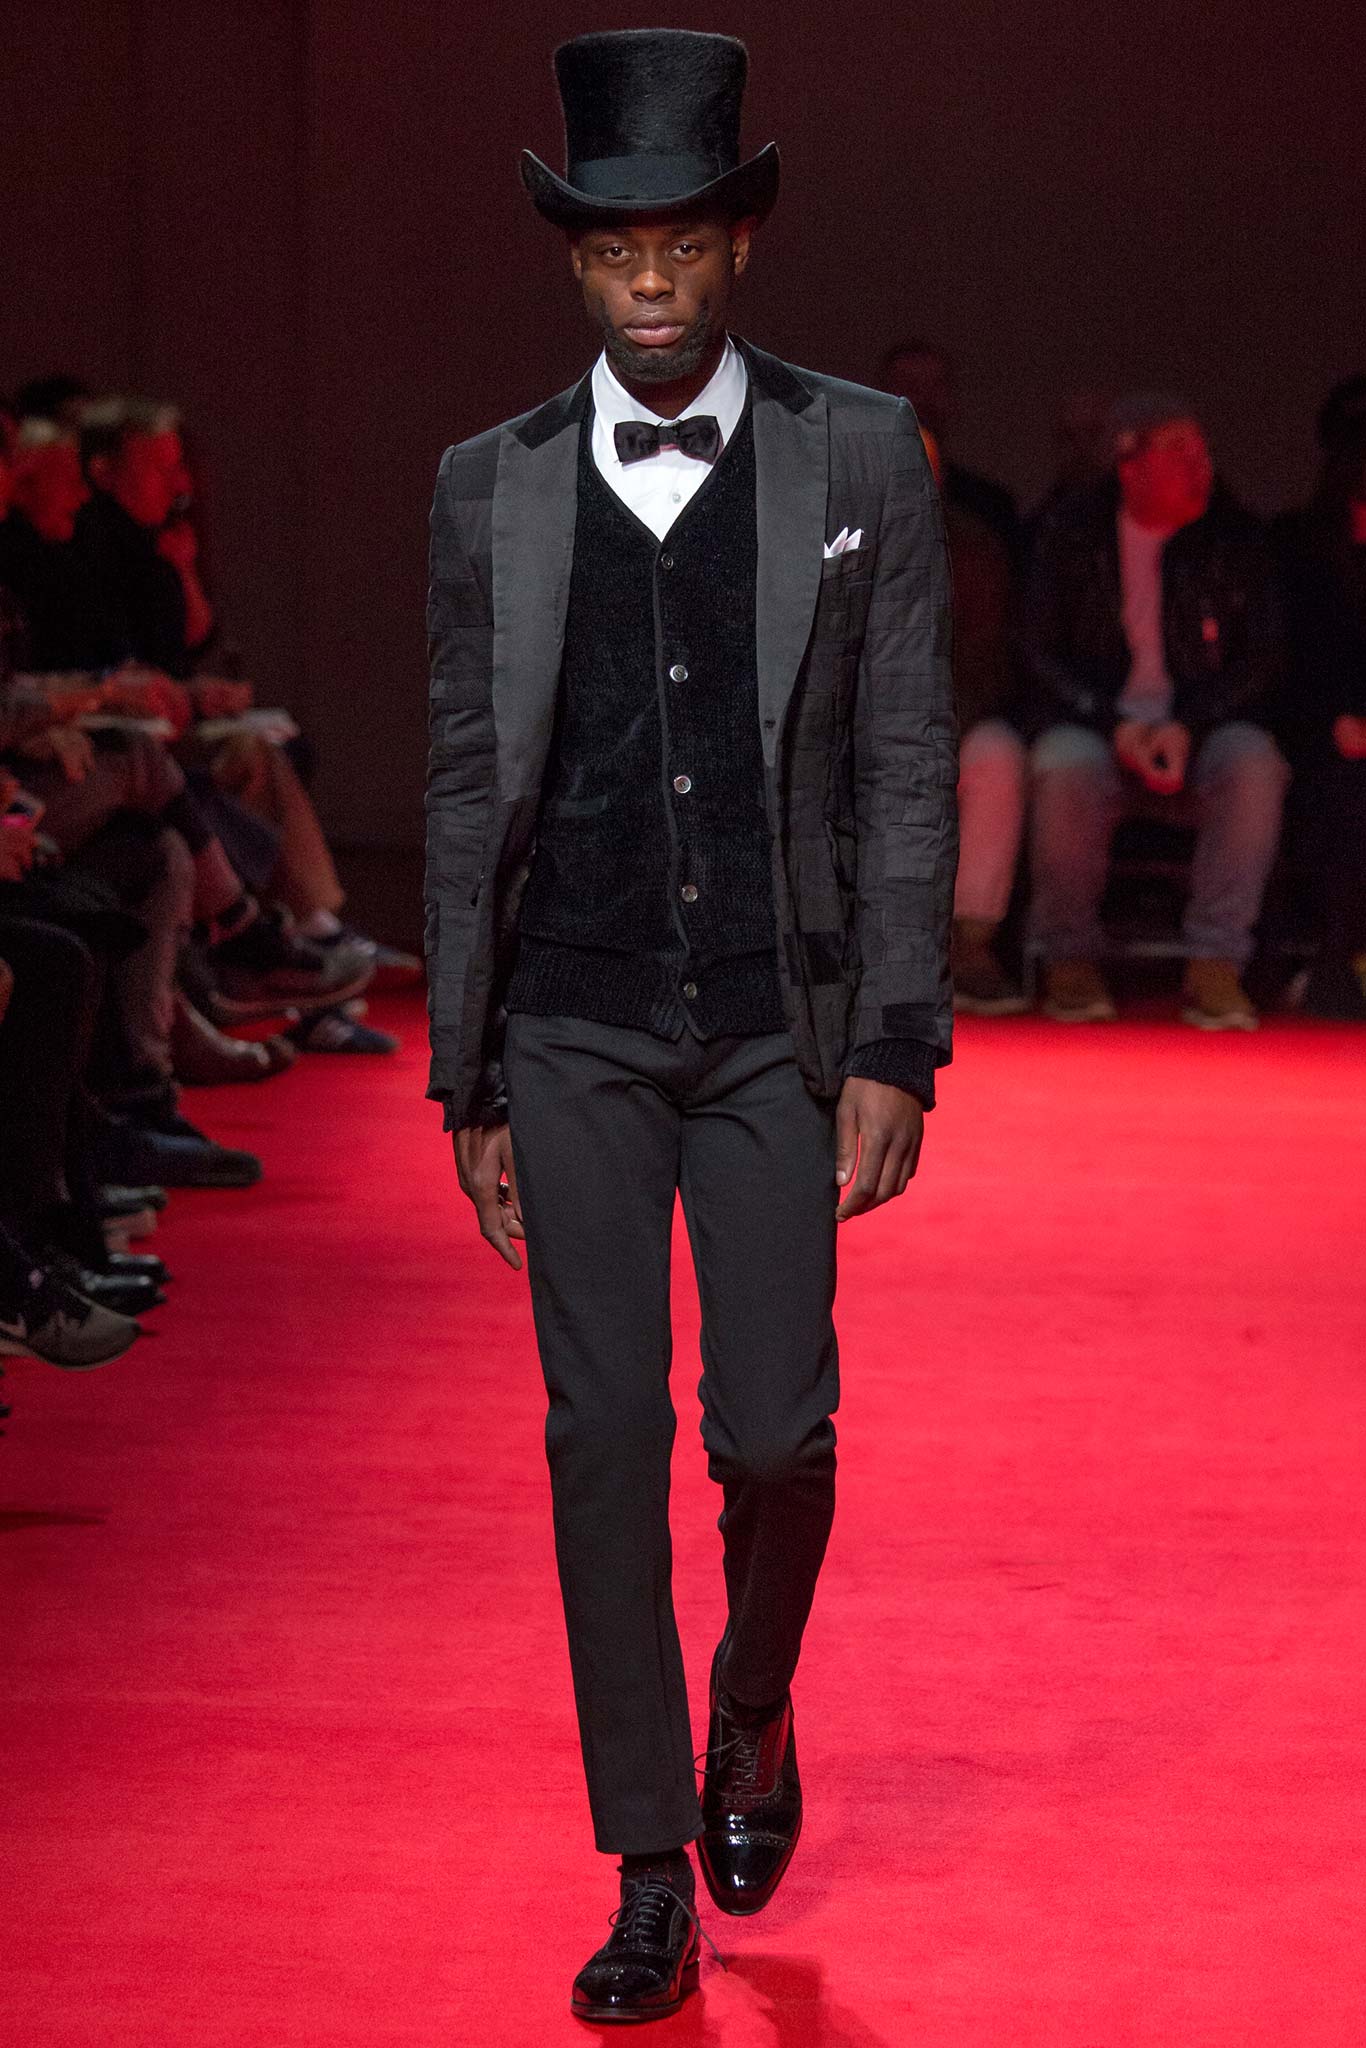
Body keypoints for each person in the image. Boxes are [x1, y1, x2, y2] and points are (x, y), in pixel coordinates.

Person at [425, 29, 956, 2023]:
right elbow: (466, 788)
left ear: (738, 244)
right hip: (568, 1017)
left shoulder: (858, 455)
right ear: (574, 260)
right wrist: (465, 1066)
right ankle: (646, 1857)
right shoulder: (488, 486)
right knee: (599, 1437)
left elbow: (903, 762)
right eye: (611, 248)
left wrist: (895, 1037)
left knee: (775, 1433)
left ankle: (753, 1694)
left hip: (769, 1022)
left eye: (680, 243)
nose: (647, 281)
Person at [1018, 393, 1288, 1027]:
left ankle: (1216, 962)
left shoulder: (1233, 536)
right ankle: (1069, 957)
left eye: (1202, 450)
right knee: (1064, 764)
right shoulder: (1071, 534)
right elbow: (1037, 652)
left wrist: (1189, 724)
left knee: (1255, 764)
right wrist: (1115, 726)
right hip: (1098, 723)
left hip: (1200, 726)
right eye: (1179, 451)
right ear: (1130, 465)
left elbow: (1264, 658)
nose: (1201, 466)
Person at [918, 426, 1029, 1014]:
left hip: (950, 721)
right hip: (848, 730)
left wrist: (934, 729)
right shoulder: (822, 538)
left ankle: (972, 944)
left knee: (998, 756)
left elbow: (990, 663)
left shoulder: (974, 549)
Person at [1273, 375, 1366, 1017]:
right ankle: (1338, 963)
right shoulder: (1299, 547)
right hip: (1321, 738)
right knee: (1348, 788)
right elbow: (1287, 662)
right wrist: (1333, 720)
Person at [880, 338, 1022, 562]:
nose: (924, 400)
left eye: (936, 387)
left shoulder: (990, 508)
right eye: (910, 387)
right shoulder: (852, 503)